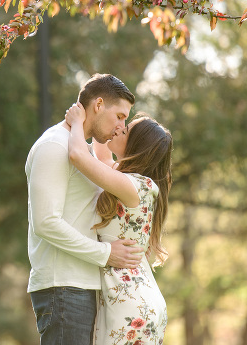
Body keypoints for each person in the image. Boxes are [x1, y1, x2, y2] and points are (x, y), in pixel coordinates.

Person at [27, 74, 145, 345]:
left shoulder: (83, 150)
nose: (121, 126)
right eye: (119, 116)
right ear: (99, 104)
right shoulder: (54, 145)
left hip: (82, 286)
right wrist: (106, 254)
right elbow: (45, 222)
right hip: (63, 288)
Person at [65, 103, 173, 345]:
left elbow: (77, 155)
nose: (119, 128)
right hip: (137, 301)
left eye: (126, 130)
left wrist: (76, 122)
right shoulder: (131, 182)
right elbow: (102, 154)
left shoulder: (134, 186)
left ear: (135, 146)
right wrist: (97, 109)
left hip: (128, 306)